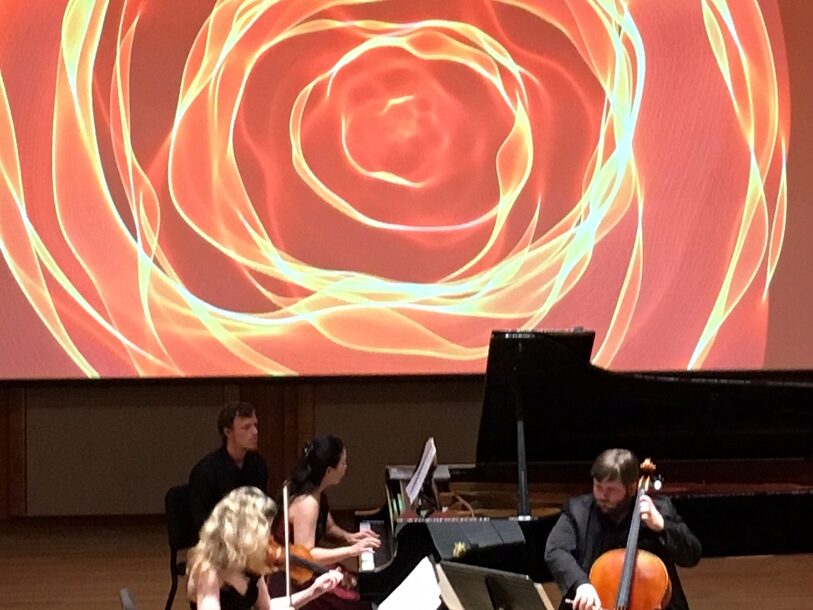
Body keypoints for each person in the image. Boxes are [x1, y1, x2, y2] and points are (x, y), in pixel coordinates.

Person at [544, 449, 701, 610]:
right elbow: (555, 550)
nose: (603, 496)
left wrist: (662, 526)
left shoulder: (658, 509)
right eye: (598, 487)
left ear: (632, 488)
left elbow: (692, 555)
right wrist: (581, 584)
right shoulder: (578, 510)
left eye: (611, 490)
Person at [187, 486, 343, 610]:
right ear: (245, 532)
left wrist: (314, 591)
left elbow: (267, 607)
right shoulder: (208, 570)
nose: (269, 537)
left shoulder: (251, 560)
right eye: (264, 530)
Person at [269, 435, 380, 610]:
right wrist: (351, 551)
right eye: (343, 463)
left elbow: (328, 527)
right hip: (294, 580)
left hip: (306, 570)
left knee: (357, 584)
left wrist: (349, 537)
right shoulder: (307, 503)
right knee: (354, 603)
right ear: (329, 471)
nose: (346, 467)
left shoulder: (314, 488)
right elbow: (306, 556)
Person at [189, 401, 269, 533]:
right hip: (217, 541)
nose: (255, 432)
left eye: (255, 425)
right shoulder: (205, 471)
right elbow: (202, 522)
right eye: (246, 427)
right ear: (227, 432)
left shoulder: (258, 464)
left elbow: (260, 509)